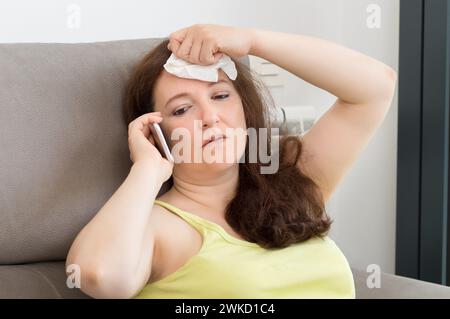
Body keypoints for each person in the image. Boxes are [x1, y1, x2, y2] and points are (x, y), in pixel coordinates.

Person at [66, 24, 397, 299]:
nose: (210, 117)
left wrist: (253, 40)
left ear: (244, 108)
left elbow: (376, 87)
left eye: (221, 96)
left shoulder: (291, 182)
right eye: (182, 109)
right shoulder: (159, 227)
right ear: (155, 133)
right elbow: (99, 275)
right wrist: (147, 170)